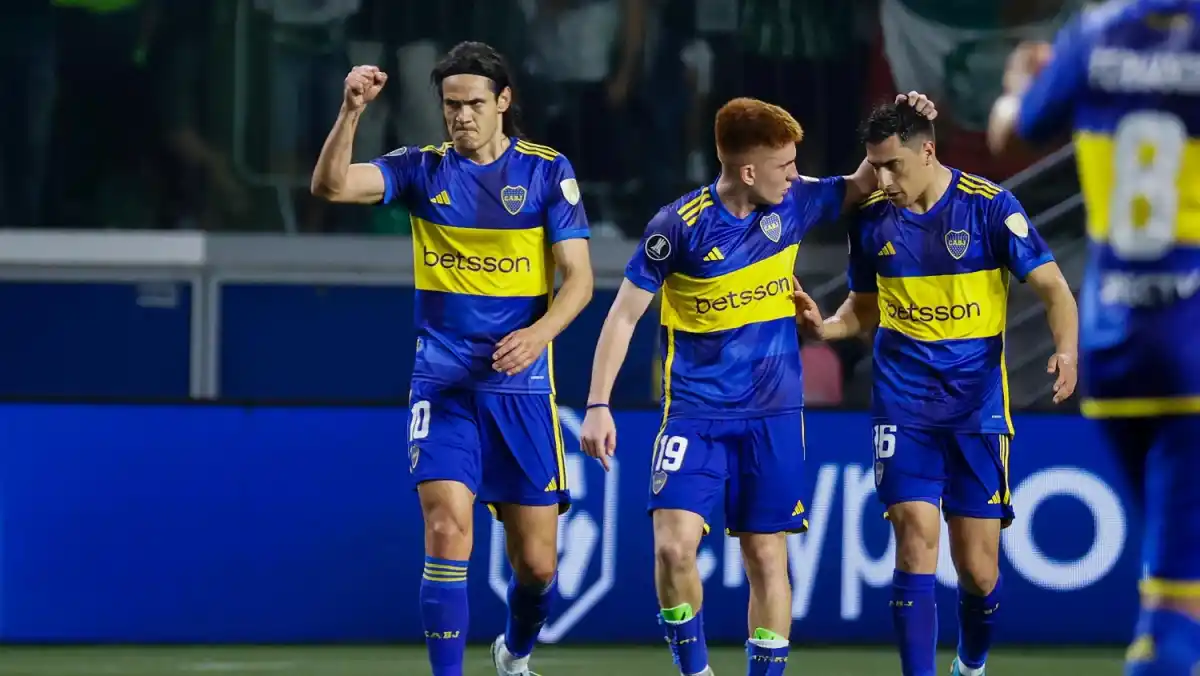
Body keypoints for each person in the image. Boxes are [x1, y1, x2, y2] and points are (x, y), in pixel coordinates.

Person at [580, 93, 935, 676]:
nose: (795, 175)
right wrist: (598, 403)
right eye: (785, 165)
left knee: (767, 556)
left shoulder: (794, 202)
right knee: (672, 548)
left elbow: (865, 180)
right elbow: (622, 316)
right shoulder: (677, 228)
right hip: (694, 414)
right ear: (748, 172)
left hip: (773, 415)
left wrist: (908, 114)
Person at [310, 41, 594, 676]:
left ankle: (514, 653)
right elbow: (331, 184)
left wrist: (540, 334)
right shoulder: (421, 170)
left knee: (537, 567)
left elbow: (578, 279)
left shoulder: (547, 172)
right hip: (442, 386)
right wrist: (351, 111)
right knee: (446, 530)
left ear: (503, 102)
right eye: (450, 105)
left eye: (473, 104)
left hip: (521, 390)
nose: (461, 116)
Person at [798, 102, 1078, 676]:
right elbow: (864, 309)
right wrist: (825, 328)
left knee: (978, 570)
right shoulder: (870, 220)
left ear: (927, 150)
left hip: (976, 408)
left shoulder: (990, 207)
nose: (882, 179)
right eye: (875, 166)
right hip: (903, 403)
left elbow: (1054, 289)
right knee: (914, 535)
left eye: (893, 165)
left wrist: (1066, 350)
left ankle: (970, 664)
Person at [987, 2, 1200, 673]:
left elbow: (1008, 131)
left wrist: (1021, 85)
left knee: (1180, 572)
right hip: (1192, 345)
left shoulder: (1094, 35)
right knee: (1176, 603)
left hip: (1114, 345)